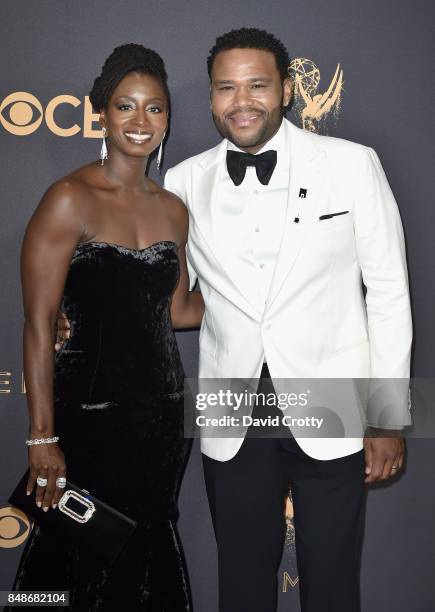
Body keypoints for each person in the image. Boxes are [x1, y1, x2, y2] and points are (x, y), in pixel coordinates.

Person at [57, 29, 412, 612]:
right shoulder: (185, 180)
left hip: (334, 400)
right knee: (242, 585)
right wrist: (73, 317)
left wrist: (389, 418)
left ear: (288, 89)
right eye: (226, 87)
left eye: (257, 85)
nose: (241, 101)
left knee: (333, 584)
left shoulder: (352, 165)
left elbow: (391, 293)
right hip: (231, 407)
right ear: (212, 97)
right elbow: (155, 290)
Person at [8, 43, 203, 612]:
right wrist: (42, 437)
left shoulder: (173, 208)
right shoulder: (68, 199)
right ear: (101, 113)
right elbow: (39, 326)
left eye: (155, 109)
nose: (141, 122)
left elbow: (177, 311)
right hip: (87, 419)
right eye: (126, 106)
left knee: (146, 551)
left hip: (161, 419)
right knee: (72, 555)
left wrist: (261, 295)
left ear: (168, 119)